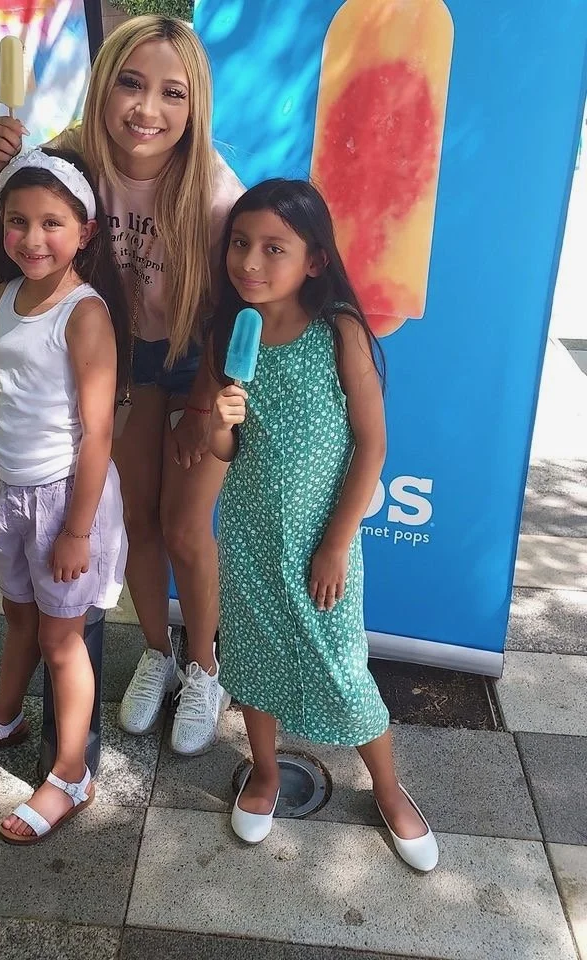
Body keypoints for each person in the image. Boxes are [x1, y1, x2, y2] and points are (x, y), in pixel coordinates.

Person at [0, 16, 243, 756]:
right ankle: (159, 650)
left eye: (171, 93)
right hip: (122, 362)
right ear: (104, 83)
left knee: (186, 527)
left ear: (194, 106)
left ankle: (206, 669)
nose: (147, 109)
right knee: (141, 524)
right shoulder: (68, 155)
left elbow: (235, 307)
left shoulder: (213, 189)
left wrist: (201, 401)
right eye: (130, 82)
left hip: (198, 361)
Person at [209, 179, 439, 871]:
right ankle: (267, 772)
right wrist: (220, 422)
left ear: (313, 260)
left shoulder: (338, 328)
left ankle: (391, 790)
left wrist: (337, 544)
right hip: (248, 533)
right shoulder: (233, 330)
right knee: (249, 659)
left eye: (273, 248)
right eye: (241, 244)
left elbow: (372, 445)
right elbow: (224, 454)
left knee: (343, 667)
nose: (250, 261)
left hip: (321, 542)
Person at [0, 147, 130, 845]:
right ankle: (5, 716)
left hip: (66, 502)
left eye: (52, 223)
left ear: (84, 231)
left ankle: (72, 771)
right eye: (17, 221)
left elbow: (99, 433)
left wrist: (78, 529)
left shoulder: (84, 314)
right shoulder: (4, 297)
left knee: (62, 639)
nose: (31, 238)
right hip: (14, 494)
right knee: (18, 616)